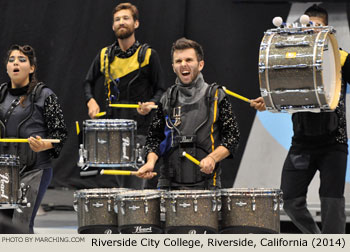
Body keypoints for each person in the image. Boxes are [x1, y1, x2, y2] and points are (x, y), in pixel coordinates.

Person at [251, 4, 350, 234]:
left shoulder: (340, 57)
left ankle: (333, 247)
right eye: (308, 25)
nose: (311, 30)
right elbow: (283, 89)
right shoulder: (292, 56)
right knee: (290, 201)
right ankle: (316, 241)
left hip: (333, 143)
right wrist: (269, 100)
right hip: (302, 143)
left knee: (332, 205)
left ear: (326, 28)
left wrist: (338, 58)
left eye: (316, 26)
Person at [136, 38, 240, 190]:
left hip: (206, 184)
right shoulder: (166, 98)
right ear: (173, 67)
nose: (183, 64)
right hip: (169, 185)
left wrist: (212, 158)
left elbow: (232, 138)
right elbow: (154, 139)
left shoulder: (217, 96)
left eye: (188, 60)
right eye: (178, 61)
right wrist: (150, 162)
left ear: (200, 64)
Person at [83, 2, 166, 189]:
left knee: (137, 185)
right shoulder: (104, 55)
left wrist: (150, 104)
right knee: (122, 186)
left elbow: (161, 90)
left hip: (141, 129)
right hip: (114, 129)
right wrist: (91, 100)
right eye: (117, 19)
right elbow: (88, 82)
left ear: (136, 24)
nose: (121, 22)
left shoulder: (148, 55)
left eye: (126, 18)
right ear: (113, 26)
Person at [0, 44, 67, 233]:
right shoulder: (0, 94)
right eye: (12, 60)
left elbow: (60, 135)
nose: (16, 63)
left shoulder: (45, 95)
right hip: (5, 170)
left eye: (22, 60)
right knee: (3, 225)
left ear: (31, 68)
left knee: (20, 224)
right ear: (6, 67)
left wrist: (44, 145)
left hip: (34, 170)